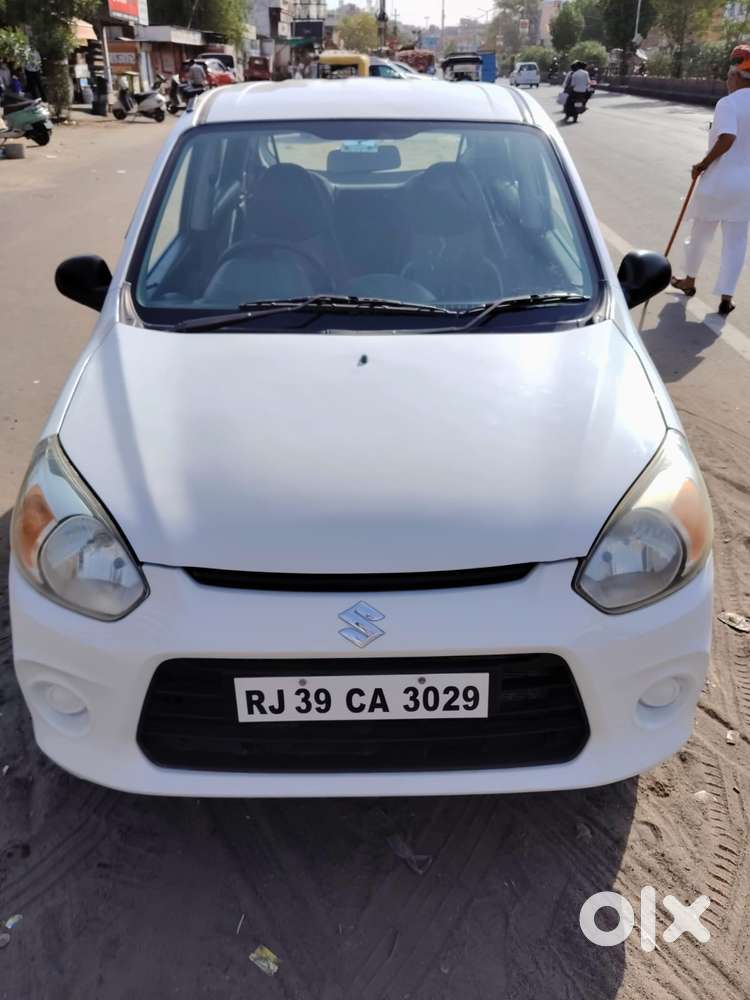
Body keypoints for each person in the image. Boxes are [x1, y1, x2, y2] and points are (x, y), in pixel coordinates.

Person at [671, 44, 750, 316]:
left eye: (729, 77)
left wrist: (702, 164)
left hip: (720, 181)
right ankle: (726, 296)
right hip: (745, 186)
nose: (727, 82)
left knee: (701, 234)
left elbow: (727, 137)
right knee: (736, 242)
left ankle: (689, 280)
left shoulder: (728, 103)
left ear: (737, 76)